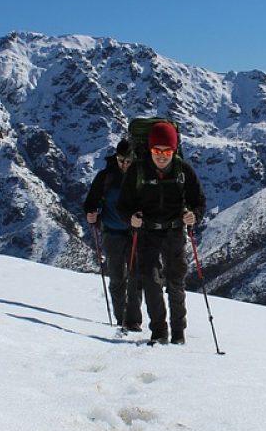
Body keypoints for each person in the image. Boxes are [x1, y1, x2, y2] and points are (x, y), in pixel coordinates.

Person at [117, 122, 206, 345]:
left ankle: (178, 332)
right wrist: (131, 218)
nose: (162, 156)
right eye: (157, 151)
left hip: (175, 231)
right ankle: (159, 331)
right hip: (147, 232)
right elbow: (122, 206)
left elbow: (199, 202)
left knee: (176, 281)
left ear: (174, 150)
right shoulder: (137, 171)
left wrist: (194, 215)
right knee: (150, 280)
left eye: (167, 151)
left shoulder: (184, 171)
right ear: (149, 149)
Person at [83, 140, 143, 332]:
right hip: (112, 233)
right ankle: (122, 318)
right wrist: (91, 213)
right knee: (118, 278)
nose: (124, 164)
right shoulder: (106, 177)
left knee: (135, 277)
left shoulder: (141, 178)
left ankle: (133, 320)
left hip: (134, 233)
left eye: (127, 161)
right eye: (120, 160)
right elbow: (91, 201)